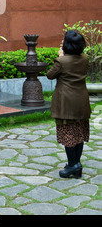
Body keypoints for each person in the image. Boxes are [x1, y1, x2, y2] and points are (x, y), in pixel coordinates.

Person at [47, 30, 91, 178]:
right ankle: (77, 164)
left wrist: (60, 57)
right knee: (78, 133)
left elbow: (50, 75)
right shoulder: (85, 58)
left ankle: (72, 165)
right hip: (81, 101)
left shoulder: (62, 62)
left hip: (66, 103)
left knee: (68, 135)